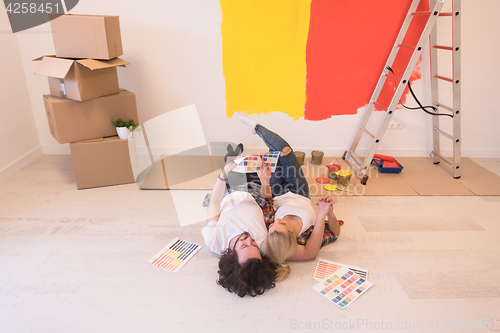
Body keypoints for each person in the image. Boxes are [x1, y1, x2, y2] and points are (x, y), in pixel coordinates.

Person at [236, 112, 342, 281]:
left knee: (276, 153)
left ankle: (256, 129)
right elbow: (334, 233)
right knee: (284, 151)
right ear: (293, 236)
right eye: (282, 223)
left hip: (277, 192)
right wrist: (327, 213)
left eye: (273, 226)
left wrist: (264, 180)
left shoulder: (272, 239)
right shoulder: (304, 237)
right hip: (299, 191)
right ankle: (255, 128)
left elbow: (268, 203)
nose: (275, 221)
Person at [202, 153, 277, 297]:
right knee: (260, 162)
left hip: (228, 193)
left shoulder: (214, 239)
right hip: (255, 191)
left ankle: (233, 155)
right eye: (254, 246)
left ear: (231, 255)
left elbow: (214, 203)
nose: (249, 239)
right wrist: (265, 181)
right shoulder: (266, 246)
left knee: (231, 160)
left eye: (244, 245)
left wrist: (225, 172)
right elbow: (268, 204)